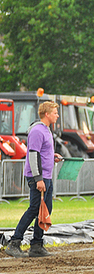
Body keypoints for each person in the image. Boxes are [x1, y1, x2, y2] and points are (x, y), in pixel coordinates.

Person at [5, 101, 63, 258]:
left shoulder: (46, 130)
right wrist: (38, 178)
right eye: (55, 112)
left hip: (46, 176)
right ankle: (14, 243)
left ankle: (37, 245)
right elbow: (33, 154)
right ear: (47, 114)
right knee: (34, 209)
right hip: (38, 177)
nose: (57, 115)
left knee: (46, 210)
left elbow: (42, 152)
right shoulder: (37, 131)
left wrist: (53, 156)